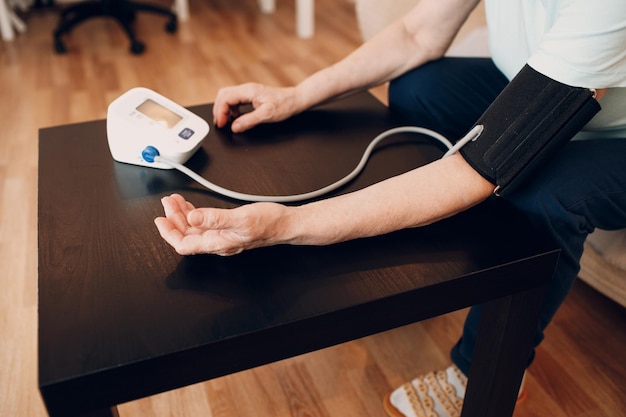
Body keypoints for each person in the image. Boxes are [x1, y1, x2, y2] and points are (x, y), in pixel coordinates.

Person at [154, 0, 626, 416]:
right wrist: (295, 95)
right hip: (541, 80)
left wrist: (286, 224)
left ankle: (483, 370)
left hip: (616, 134)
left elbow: (474, 171)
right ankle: (448, 240)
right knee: (419, 86)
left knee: (547, 194)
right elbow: (417, 33)